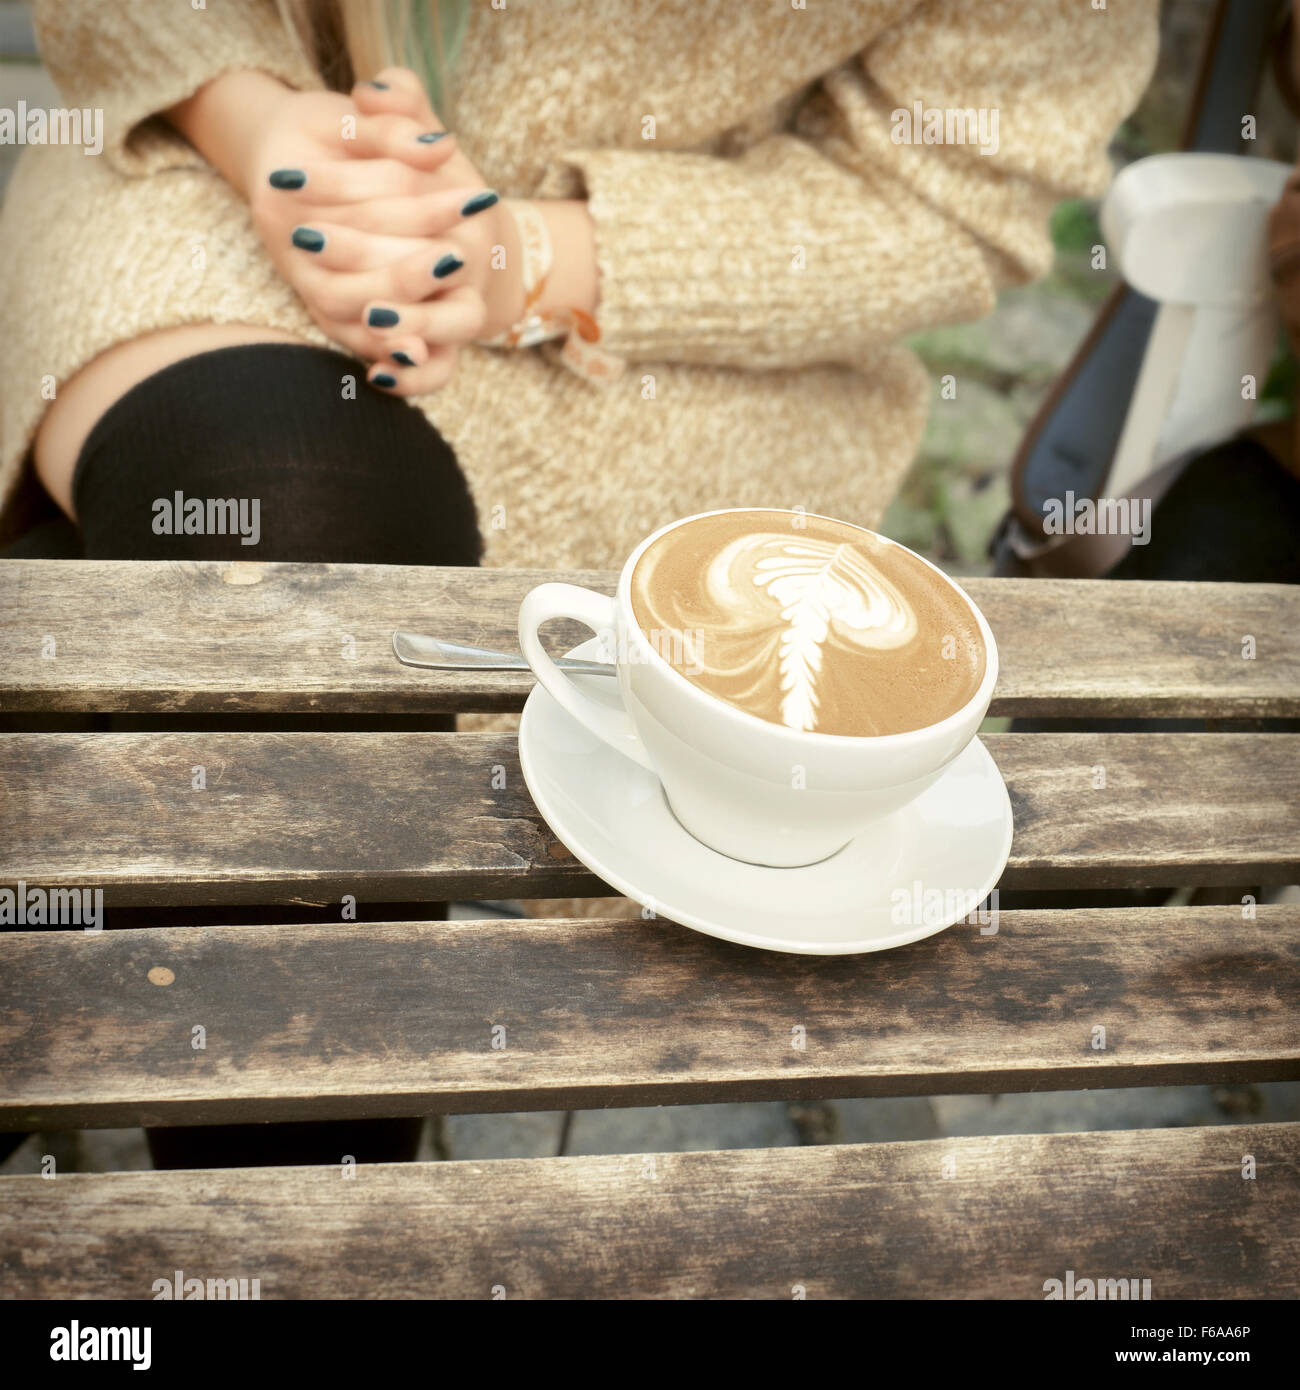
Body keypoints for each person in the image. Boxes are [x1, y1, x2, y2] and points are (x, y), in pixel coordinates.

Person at [0, 0, 1159, 1165]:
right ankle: (302, 1214)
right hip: (208, 171)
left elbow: (946, 198)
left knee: (182, 652)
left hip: (678, 331)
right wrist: (263, 129)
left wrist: (529, 256)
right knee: (279, 545)